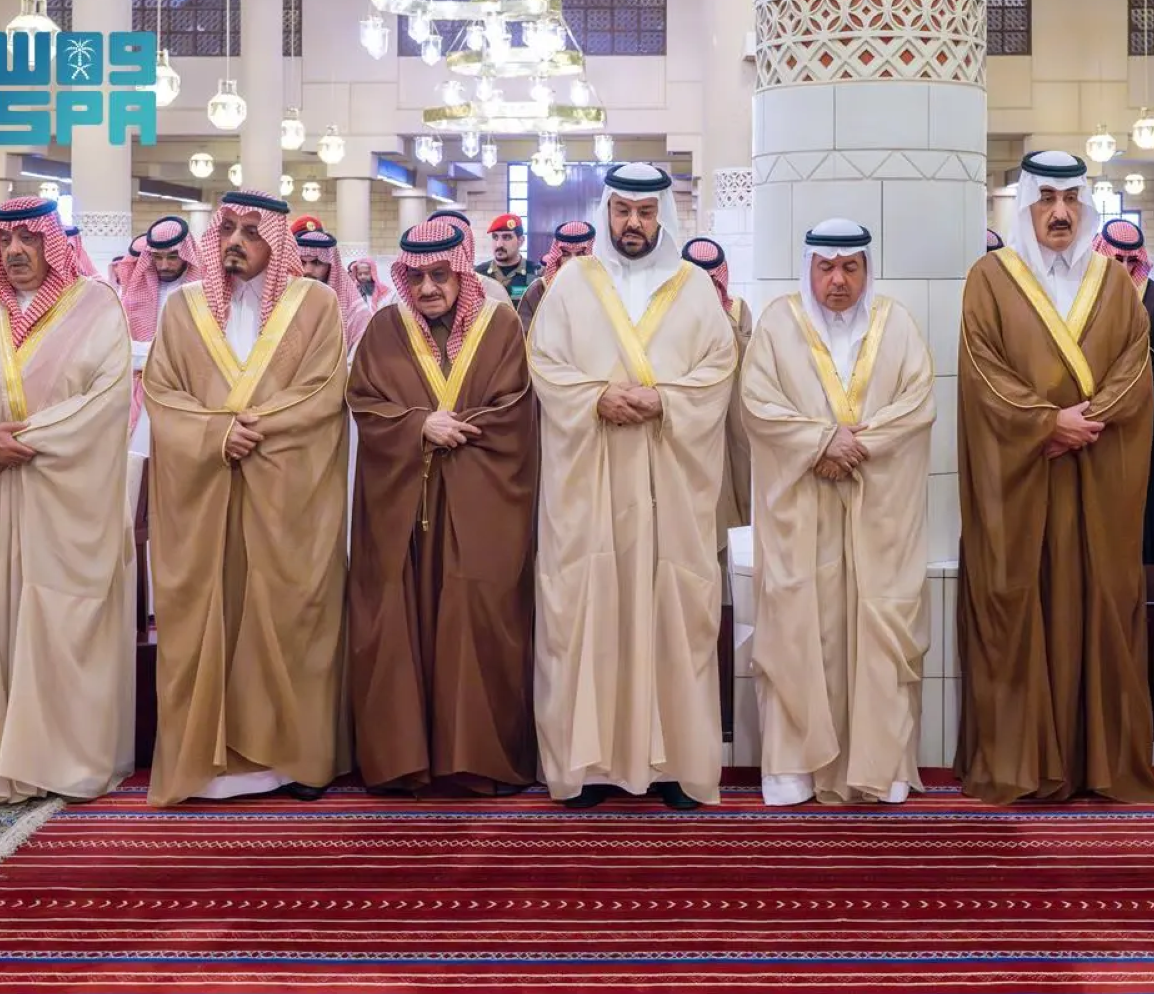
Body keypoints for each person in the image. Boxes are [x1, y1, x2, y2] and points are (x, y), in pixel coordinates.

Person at [526, 162, 738, 810]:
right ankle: (587, 769)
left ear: (662, 215)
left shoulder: (694, 287)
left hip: (669, 487)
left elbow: (718, 367)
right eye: (622, 211)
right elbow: (544, 362)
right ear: (607, 213)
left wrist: (664, 400)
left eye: (645, 212)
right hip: (589, 487)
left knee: (675, 617)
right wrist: (596, 396)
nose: (633, 223)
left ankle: (677, 765)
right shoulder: (572, 284)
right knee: (586, 612)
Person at [954, 150, 1154, 804]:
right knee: (1017, 603)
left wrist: (1083, 422)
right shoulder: (990, 279)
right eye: (1046, 199)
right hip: (1025, 478)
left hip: (1096, 474)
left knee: (1101, 601)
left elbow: (1135, 365)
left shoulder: (1113, 281)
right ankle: (1022, 763)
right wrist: (1046, 423)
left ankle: (1099, 763)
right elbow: (982, 370)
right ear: (1026, 206)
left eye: (1070, 199)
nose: (1060, 213)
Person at [141, 188, 351, 807]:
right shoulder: (182, 308)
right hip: (203, 493)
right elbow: (162, 392)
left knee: (291, 615)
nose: (236, 241)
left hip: (287, 494)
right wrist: (216, 436)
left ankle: (294, 758)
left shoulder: (316, 304)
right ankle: (205, 760)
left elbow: (323, 390)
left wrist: (249, 432)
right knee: (203, 615)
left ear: (278, 242)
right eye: (228, 228)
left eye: (252, 232)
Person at [0, 196, 134, 804]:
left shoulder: (99, 308)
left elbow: (107, 401)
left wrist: (22, 442)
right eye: (6, 241)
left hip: (63, 503)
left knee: (60, 617)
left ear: (54, 241)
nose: (16, 251)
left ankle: (58, 760)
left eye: (30, 239)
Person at [740, 219, 936, 806]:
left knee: (881, 626)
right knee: (798, 627)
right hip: (801, 508)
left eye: (850, 267)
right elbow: (757, 403)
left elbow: (917, 402)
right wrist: (820, 442)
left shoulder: (896, 324)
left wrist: (854, 446)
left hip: (878, 510)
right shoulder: (777, 324)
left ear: (867, 269)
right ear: (809, 269)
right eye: (826, 267)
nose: (838, 280)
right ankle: (793, 765)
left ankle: (880, 763)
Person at [346, 221, 539, 796]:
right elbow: (364, 400)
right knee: (398, 623)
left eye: (440, 275)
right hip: (402, 510)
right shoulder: (385, 328)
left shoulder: (499, 325)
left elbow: (516, 406)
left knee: (477, 618)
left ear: (461, 272)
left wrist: (454, 430)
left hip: (480, 505)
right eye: (416, 277)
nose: (428, 287)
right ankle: (404, 759)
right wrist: (417, 426)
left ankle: (475, 759)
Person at [1092, 218, 1154, 565]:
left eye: (1132, 261)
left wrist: (1134, 365)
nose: (1125, 267)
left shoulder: (1153, 295)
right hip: (1099, 414)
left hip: (1147, 414)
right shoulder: (1087, 293)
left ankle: (1152, 564)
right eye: (1118, 260)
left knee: (1150, 485)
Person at [682, 236, 757, 547]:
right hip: (688, 414)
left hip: (729, 417)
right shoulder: (669, 312)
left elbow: (748, 360)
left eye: (713, 279)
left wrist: (720, 316)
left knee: (731, 485)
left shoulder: (737, 309)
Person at [122, 215, 204, 457]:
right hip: (141, 391)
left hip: (187, 391)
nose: (164, 265)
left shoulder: (203, 291)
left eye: (172, 257)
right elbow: (122, 348)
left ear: (186, 255)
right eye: (157, 257)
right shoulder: (137, 292)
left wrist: (145, 355)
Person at [295, 227, 373, 353]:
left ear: (331, 266)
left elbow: (362, 353)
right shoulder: (285, 300)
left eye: (316, 263)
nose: (307, 270)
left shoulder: (354, 310)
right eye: (302, 262)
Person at [515, 220, 595, 331]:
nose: (572, 261)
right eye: (566, 254)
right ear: (558, 257)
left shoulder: (601, 288)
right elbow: (525, 334)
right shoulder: (539, 289)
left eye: (580, 254)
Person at [428, 210, 513, 307]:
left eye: (454, 250)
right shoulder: (417, 292)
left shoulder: (493, 291)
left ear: (467, 248)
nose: (444, 255)